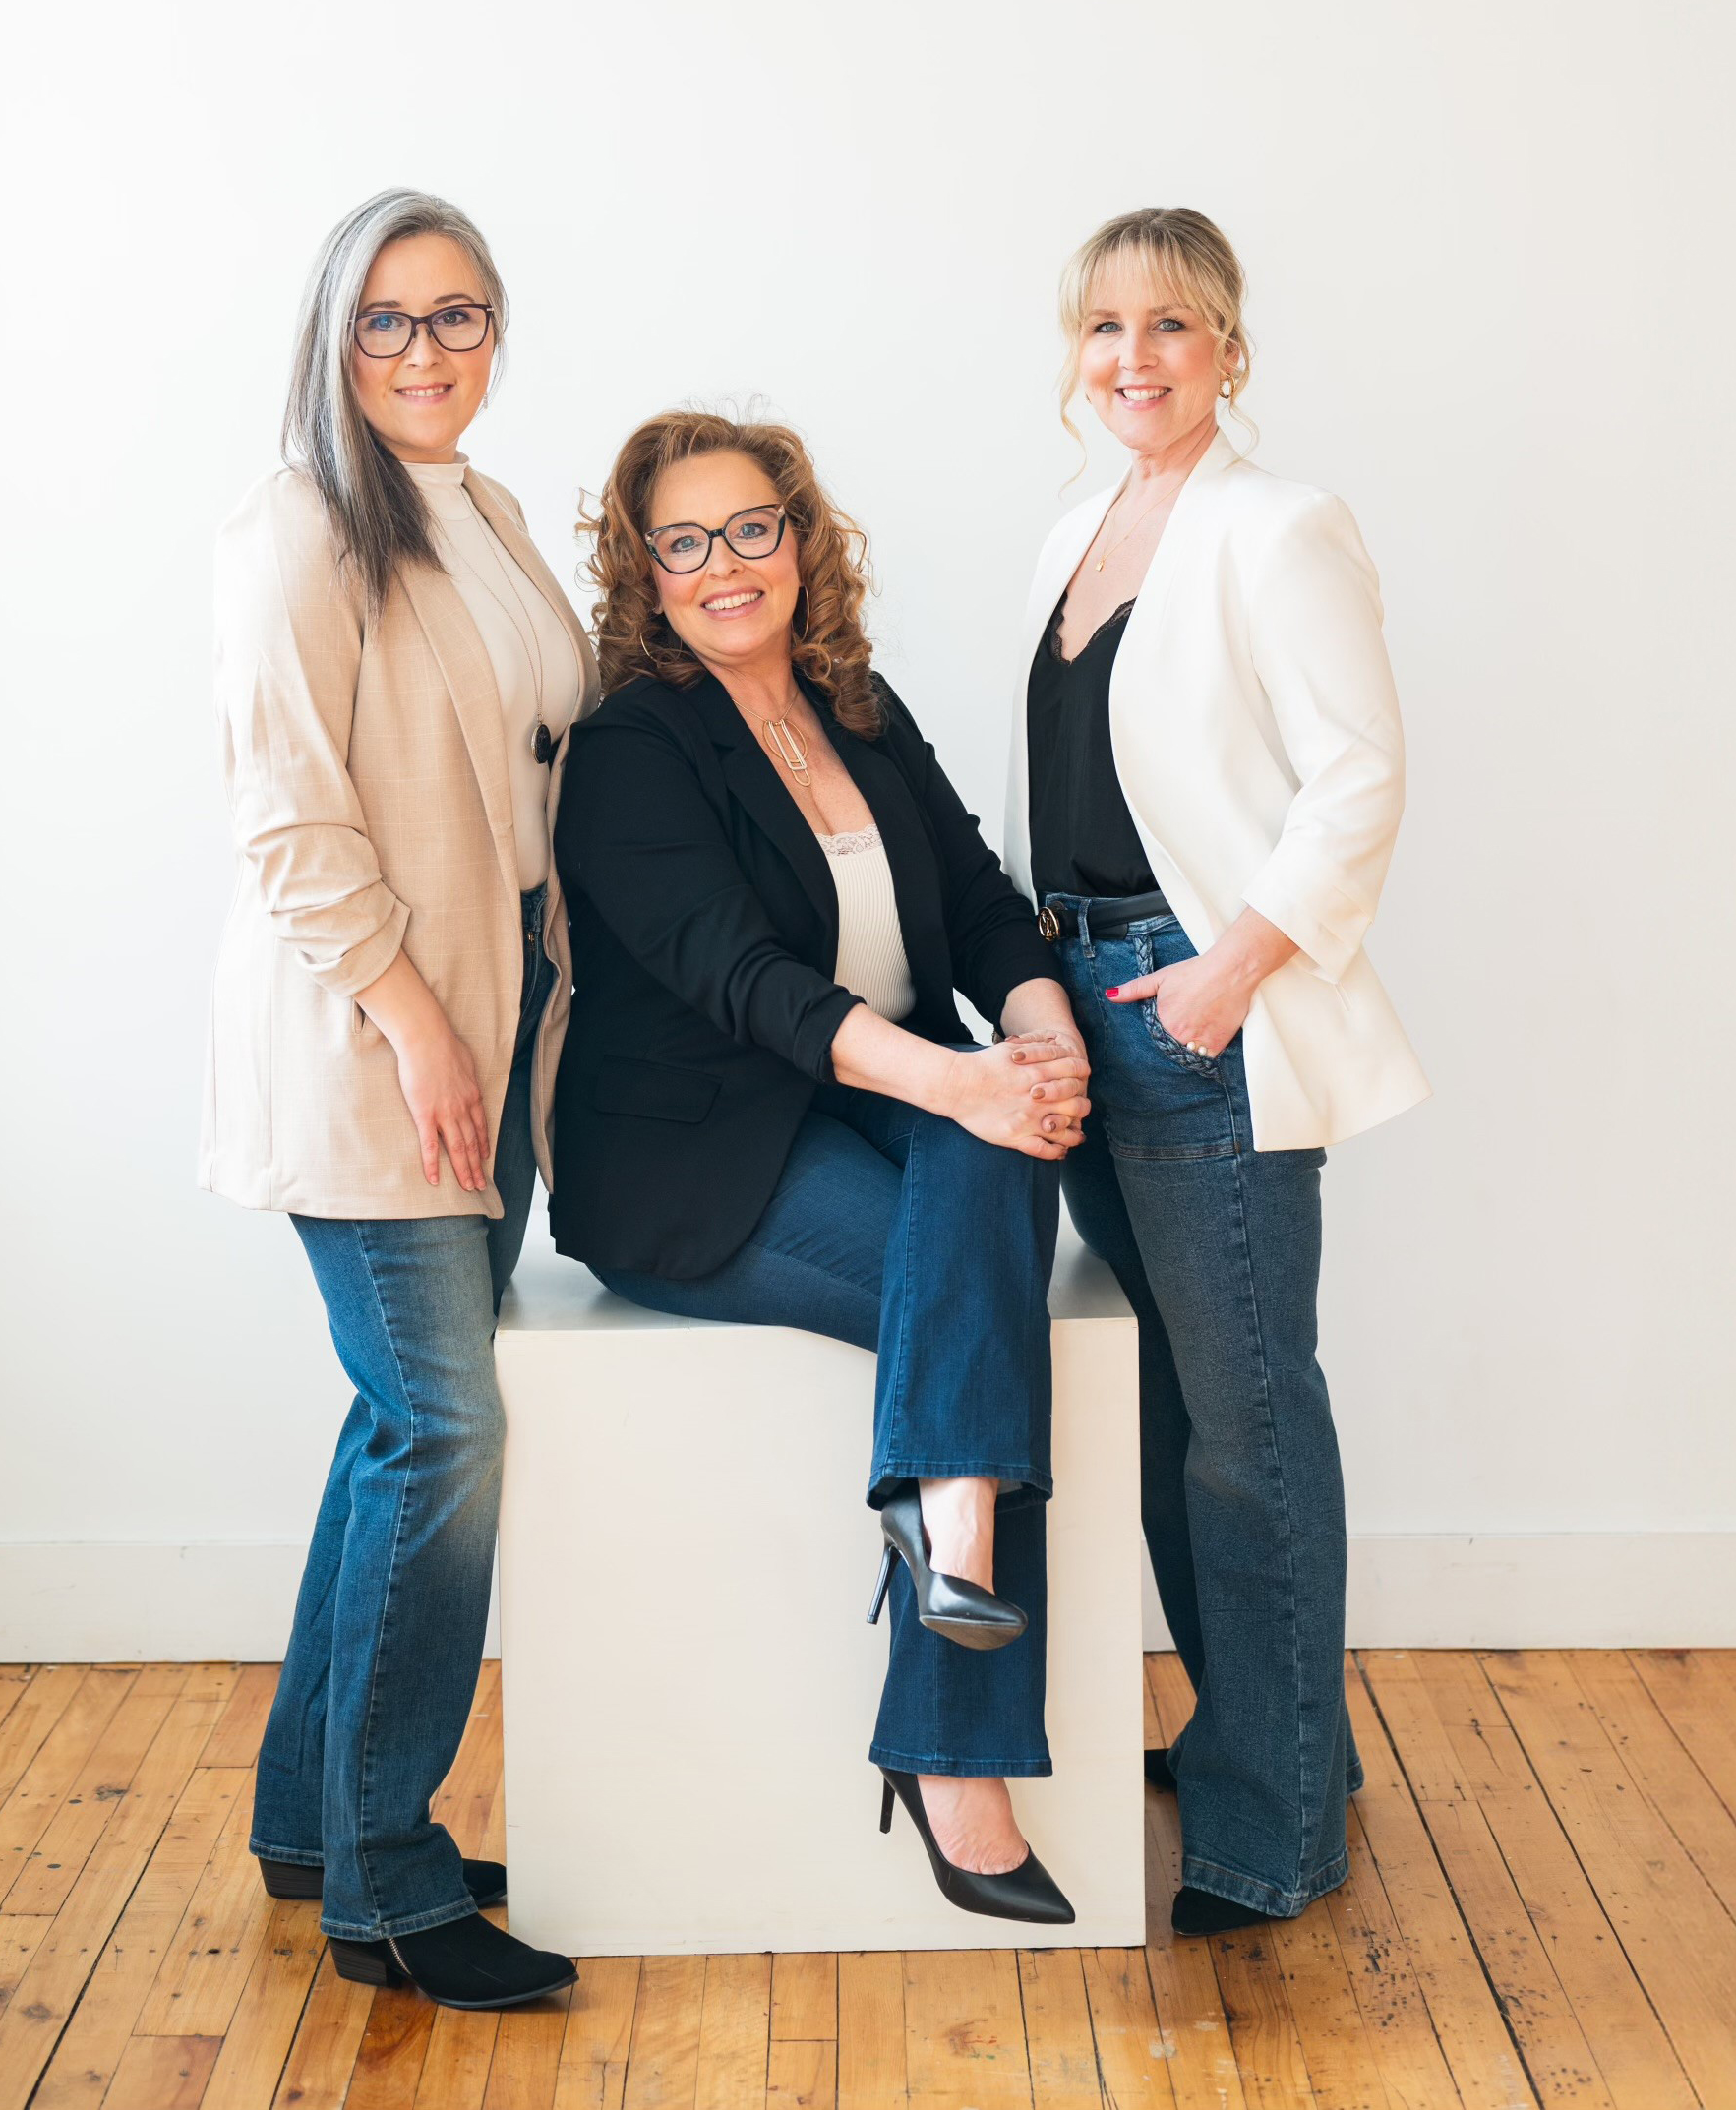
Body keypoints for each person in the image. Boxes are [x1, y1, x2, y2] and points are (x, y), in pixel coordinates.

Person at [551, 411, 1092, 1925]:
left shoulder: (854, 701)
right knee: (981, 1276)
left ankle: (948, 1523)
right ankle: (958, 1745)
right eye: (684, 541)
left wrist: (1038, 1027)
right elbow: (750, 985)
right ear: (646, 573)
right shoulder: (631, 750)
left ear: (799, 538)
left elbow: (975, 899)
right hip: (697, 1159)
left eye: (751, 527)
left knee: (992, 1158)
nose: (725, 564)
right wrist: (964, 1080)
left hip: (880, 1096)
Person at [1006, 207, 1431, 1935]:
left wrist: (1229, 973)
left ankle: (1273, 1833)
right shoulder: (1077, 532)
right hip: (1083, 1009)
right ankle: (1279, 1742)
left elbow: (1360, 776)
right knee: (1173, 1411)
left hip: (1200, 1015)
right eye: (1106, 326)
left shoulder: (1279, 523)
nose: (1136, 357)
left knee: (1248, 1422)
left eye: (1171, 325)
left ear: (1228, 349)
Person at [201, 188, 597, 2007]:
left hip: (502, 1026)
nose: (425, 351)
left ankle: (313, 1818)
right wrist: (420, 1026)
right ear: (332, 340)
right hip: (378, 1040)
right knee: (445, 1430)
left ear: (495, 333)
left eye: (456, 316)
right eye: (386, 320)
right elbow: (288, 819)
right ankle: (386, 1879)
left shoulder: (485, 511)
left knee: (399, 1429)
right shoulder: (301, 524)